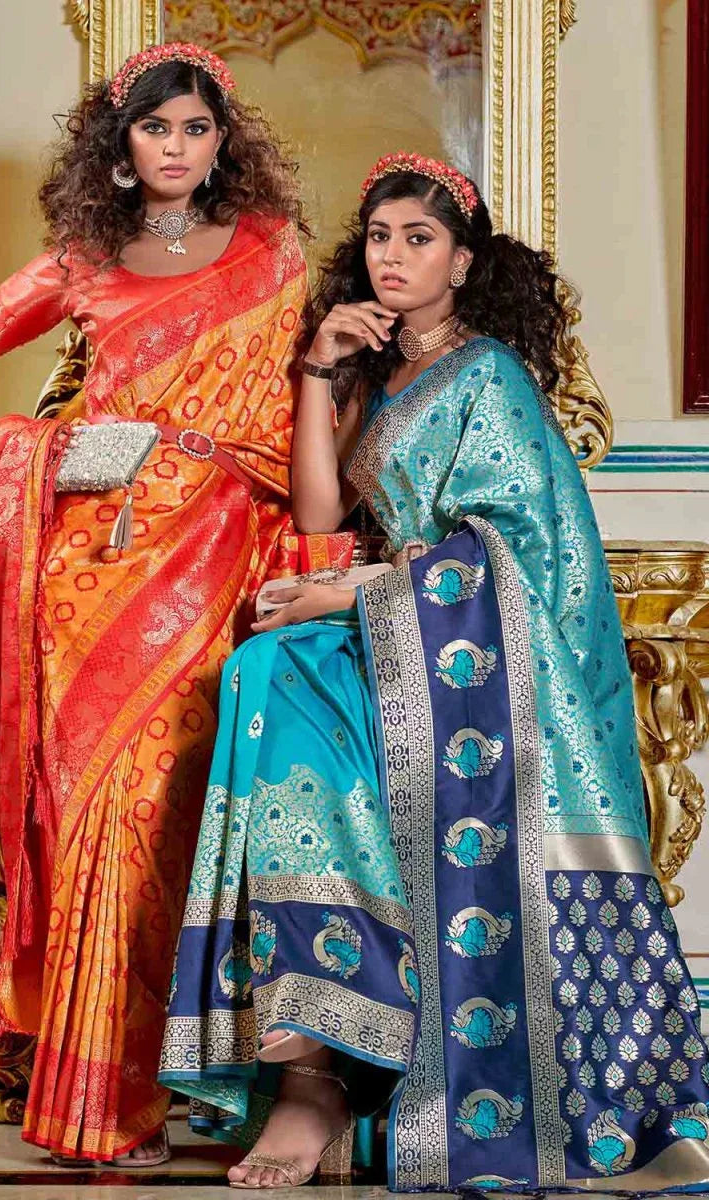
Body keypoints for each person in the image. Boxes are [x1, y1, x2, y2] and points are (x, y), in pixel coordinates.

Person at [157, 152, 709, 1191]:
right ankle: (313, 1052)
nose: (393, 256)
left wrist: (347, 595)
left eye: (418, 239)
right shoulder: (379, 374)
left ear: (461, 261)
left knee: (282, 671)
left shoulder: (487, 374)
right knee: (262, 671)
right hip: (396, 633)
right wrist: (319, 367)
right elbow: (321, 511)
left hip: (475, 663)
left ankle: (326, 1066)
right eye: (379, 238)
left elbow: (513, 549)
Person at [0, 42, 314, 1166]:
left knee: (175, 811)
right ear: (121, 144)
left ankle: (193, 1083)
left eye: (195, 128)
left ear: (222, 141)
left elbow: (304, 399)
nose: (177, 148)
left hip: (225, 553)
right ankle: (96, 1103)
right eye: (156, 129)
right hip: (94, 565)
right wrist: (32, 449)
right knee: (98, 811)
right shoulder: (84, 260)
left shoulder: (272, 248)